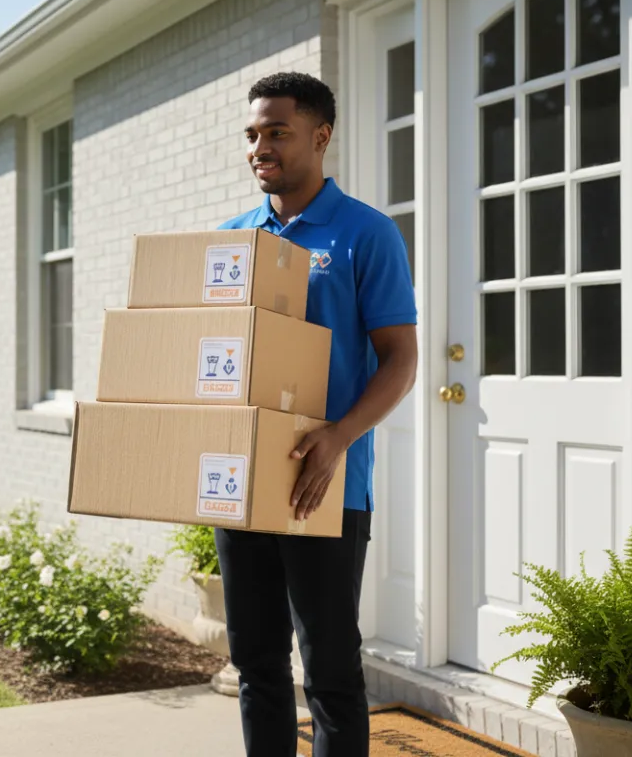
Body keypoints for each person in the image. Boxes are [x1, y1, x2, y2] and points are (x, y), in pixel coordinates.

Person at [214, 71, 419, 756]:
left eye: (277, 132)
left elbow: (400, 359)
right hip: (243, 483)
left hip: (324, 486)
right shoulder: (234, 239)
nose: (259, 147)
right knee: (256, 667)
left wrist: (338, 437)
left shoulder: (367, 234)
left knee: (329, 672)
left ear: (320, 136)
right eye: (251, 134)